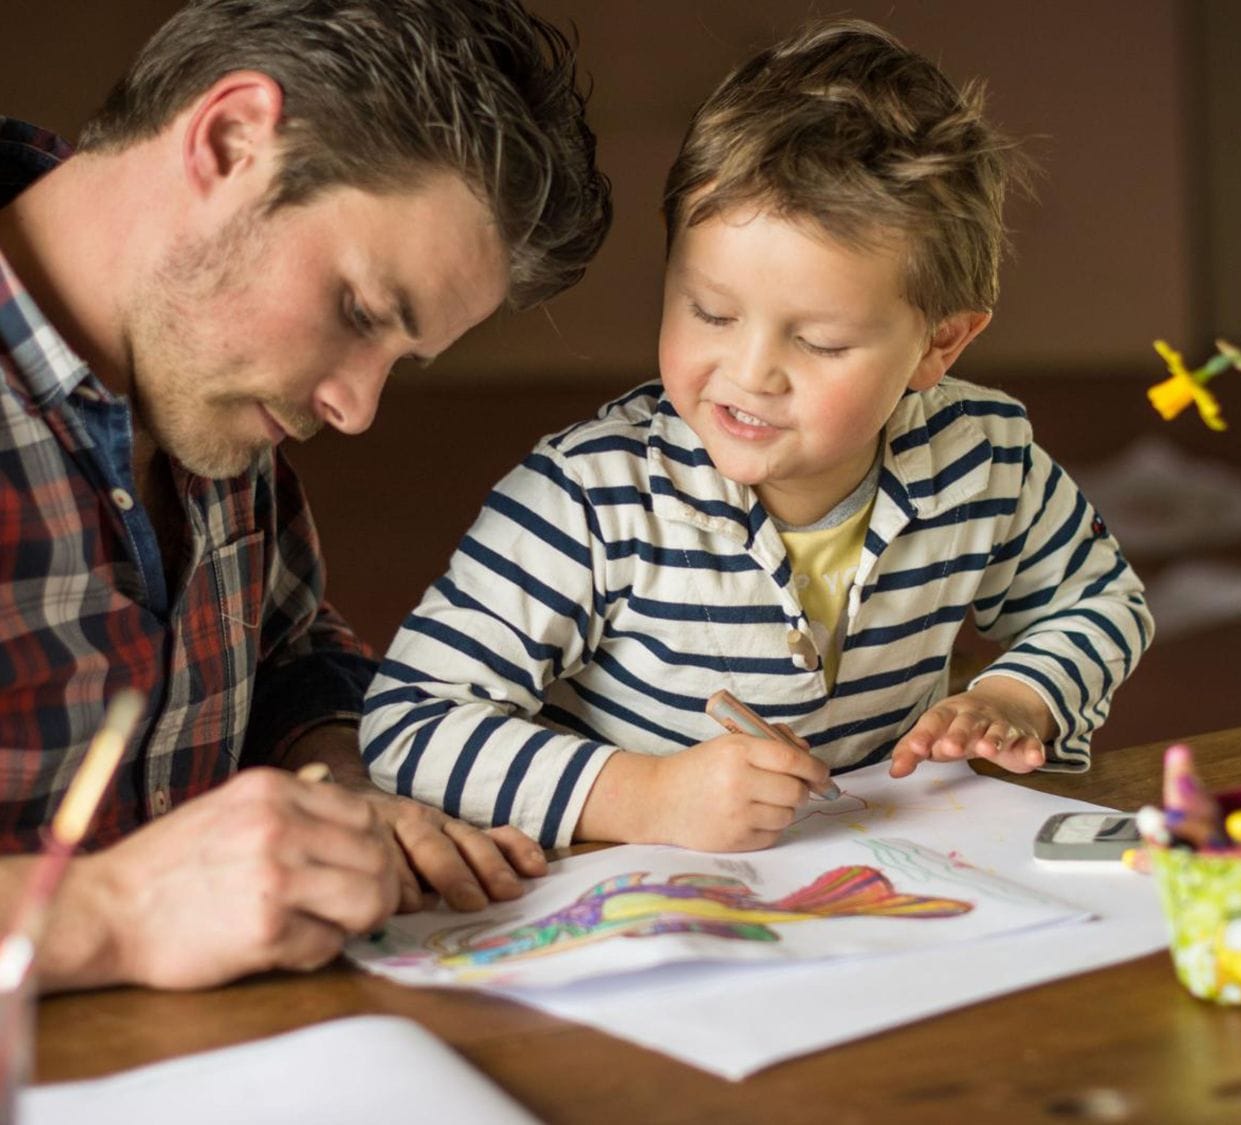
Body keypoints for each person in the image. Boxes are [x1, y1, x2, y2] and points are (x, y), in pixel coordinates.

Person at [362, 18, 1152, 853]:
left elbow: (1100, 600)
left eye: (818, 341)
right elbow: (407, 722)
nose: (751, 371)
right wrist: (645, 796)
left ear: (940, 344)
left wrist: (1022, 695)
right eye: (710, 311)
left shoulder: (983, 456)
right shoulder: (588, 497)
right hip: (652, 910)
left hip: (884, 889)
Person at [0, 0, 611, 990]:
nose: (357, 406)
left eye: (398, 360)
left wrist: (335, 780)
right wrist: (115, 913)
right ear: (232, 140)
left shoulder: (197, 380)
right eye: (359, 312)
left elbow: (285, 652)